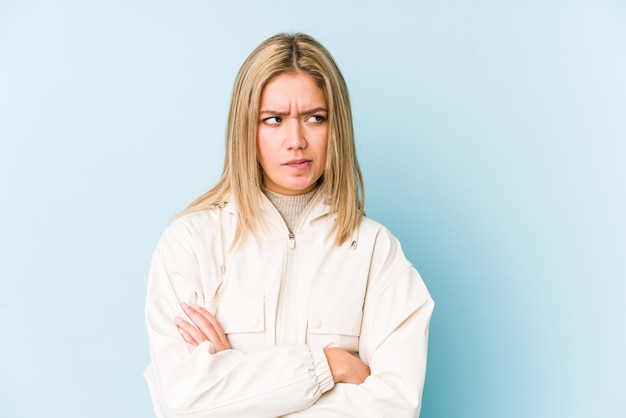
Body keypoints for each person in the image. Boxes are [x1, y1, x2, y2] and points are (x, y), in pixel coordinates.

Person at [144, 33, 434, 418]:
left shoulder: (376, 252)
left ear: (337, 127)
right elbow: (182, 401)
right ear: (246, 128)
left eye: (315, 118)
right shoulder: (190, 244)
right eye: (274, 120)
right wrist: (330, 365)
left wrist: (241, 391)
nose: (295, 140)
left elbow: (396, 407)